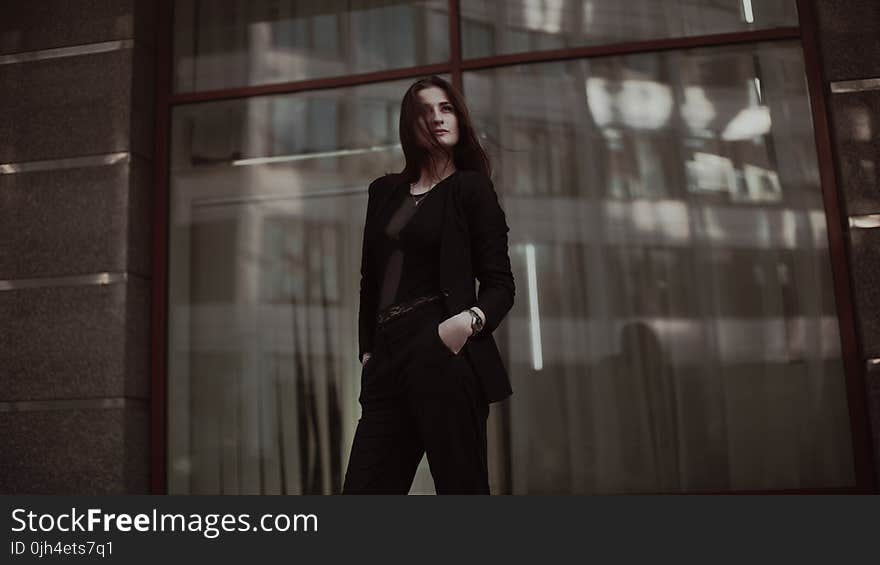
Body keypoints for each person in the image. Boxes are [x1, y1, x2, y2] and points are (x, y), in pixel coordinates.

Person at [342, 75, 515, 494]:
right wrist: (367, 350)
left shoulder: (471, 189)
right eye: (425, 111)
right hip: (387, 356)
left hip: (441, 347)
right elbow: (371, 279)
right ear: (409, 125)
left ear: (459, 118)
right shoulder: (384, 192)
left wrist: (463, 325)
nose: (437, 118)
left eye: (446, 108)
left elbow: (500, 284)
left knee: (460, 489)